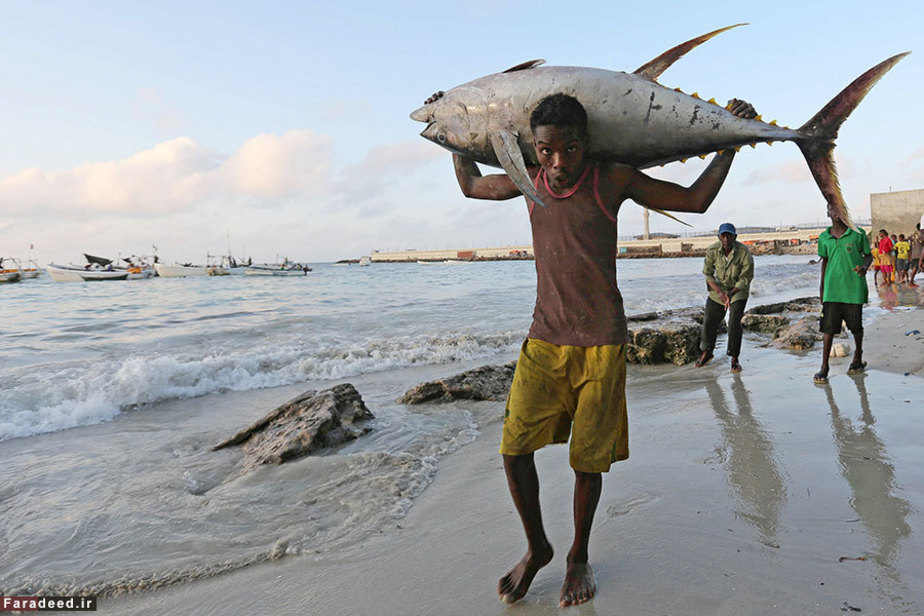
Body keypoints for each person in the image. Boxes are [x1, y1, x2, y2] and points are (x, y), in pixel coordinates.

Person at [432, 90, 757, 607]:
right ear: (534, 149)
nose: (558, 163)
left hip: (602, 343)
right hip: (543, 340)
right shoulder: (527, 180)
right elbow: (471, 185)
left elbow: (695, 201)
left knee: (588, 461)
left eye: (571, 150)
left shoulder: (612, 178)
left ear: (587, 144)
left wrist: (730, 145)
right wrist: (453, 126)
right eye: (546, 151)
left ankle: (578, 555)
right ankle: (537, 546)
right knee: (514, 450)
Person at [814, 204, 873, 384]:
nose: (835, 212)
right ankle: (824, 367)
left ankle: (858, 356)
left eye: (839, 209)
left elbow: (869, 255)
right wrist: (822, 288)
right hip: (832, 290)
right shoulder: (824, 237)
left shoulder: (857, 233)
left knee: (856, 327)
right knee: (828, 330)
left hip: (853, 288)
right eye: (832, 209)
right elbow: (825, 262)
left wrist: (864, 267)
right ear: (827, 213)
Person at [695, 223, 754, 373]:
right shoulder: (712, 250)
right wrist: (720, 293)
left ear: (735, 237)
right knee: (709, 319)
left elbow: (746, 277)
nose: (726, 239)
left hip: (737, 290)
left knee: (734, 321)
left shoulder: (744, 252)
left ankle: (734, 358)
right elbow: (708, 274)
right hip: (718, 290)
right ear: (719, 237)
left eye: (729, 235)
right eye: (723, 235)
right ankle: (707, 352)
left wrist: (731, 294)